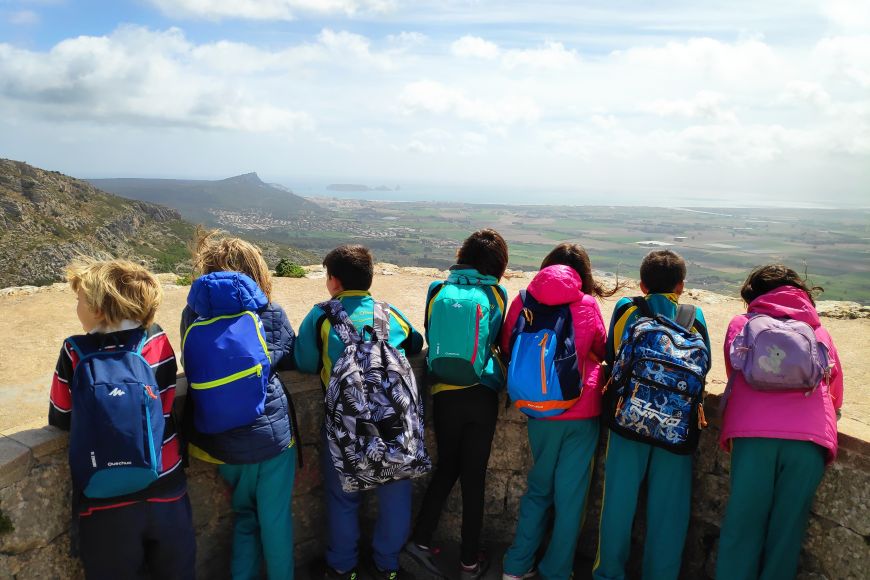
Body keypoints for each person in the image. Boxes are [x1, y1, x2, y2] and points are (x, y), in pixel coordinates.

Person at [49, 259, 195, 579]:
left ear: (100, 309)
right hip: (165, 481)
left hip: (103, 495)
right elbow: (167, 399)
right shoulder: (157, 341)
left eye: (80, 300)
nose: (77, 307)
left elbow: (61, 416)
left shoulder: (74, 351)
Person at [295, 244, 424, 580]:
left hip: (344, 426)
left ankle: (342, 567)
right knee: (396, 493)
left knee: (343, 497)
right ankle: (387, 566)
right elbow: (414, 343)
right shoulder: (389, 313)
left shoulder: (321, 316)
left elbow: (305, 363)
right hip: (394, 424)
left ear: (334, 281)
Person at [180, 229, 297, 580]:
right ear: (257, 274)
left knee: (245, 517)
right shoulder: (269, 311)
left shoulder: (193, 317)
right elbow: (289, 355)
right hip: (272, 441)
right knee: (274, 522)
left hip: (222, 442)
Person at [715, 265, 843, 580]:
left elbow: (736, 369)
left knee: (742, 527)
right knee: (786, 535)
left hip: (753, 435)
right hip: (809, 442)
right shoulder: (817, 329)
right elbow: (835, 389)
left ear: (754, 295)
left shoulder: (741, 324)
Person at [592, 250, 710, 580]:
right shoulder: (694, 315)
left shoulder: (627, 308)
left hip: (629, 418)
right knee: (669, 513)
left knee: (617, 503)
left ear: (642, 285)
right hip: (677, 427)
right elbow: (705, 365)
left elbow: (613, 356)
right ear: (681, 286)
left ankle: (608, 574)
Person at [501, 243, 614, 580]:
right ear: (583, 274)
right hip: (581, 411)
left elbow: (508, 346)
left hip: (538, 410)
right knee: (571, 498)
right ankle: (556, 570)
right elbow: (601, 349)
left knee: (539, 489)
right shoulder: (588, 304)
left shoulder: (523, 299)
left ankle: (516, 565)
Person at [405, 229, 510, 580]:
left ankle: (419, 541)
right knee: (474, 478)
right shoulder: (495, 293)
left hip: (444, 393)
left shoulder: (437, 290)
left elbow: (431, 335)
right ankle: (469, 562)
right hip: (481, 392)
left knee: (447, 466)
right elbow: (496, 341)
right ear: (497, 262)